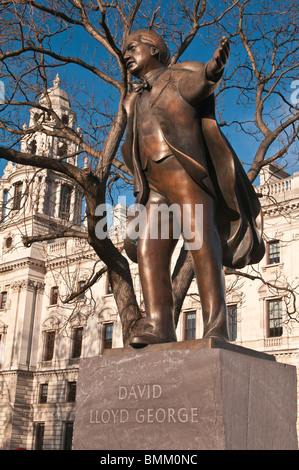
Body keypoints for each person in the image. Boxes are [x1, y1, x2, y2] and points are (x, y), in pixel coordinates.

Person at [121, 29, 264, 348]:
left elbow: (202, 82)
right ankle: (159, 324)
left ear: (154, 50)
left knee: (202, 245)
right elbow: (131, 145)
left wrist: (214, 68)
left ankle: (216, 327)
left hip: (187, 178)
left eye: (132, 48)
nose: (126, 55)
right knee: (148, 249)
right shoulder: (133, 101)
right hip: (154, 187)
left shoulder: (178, 77)